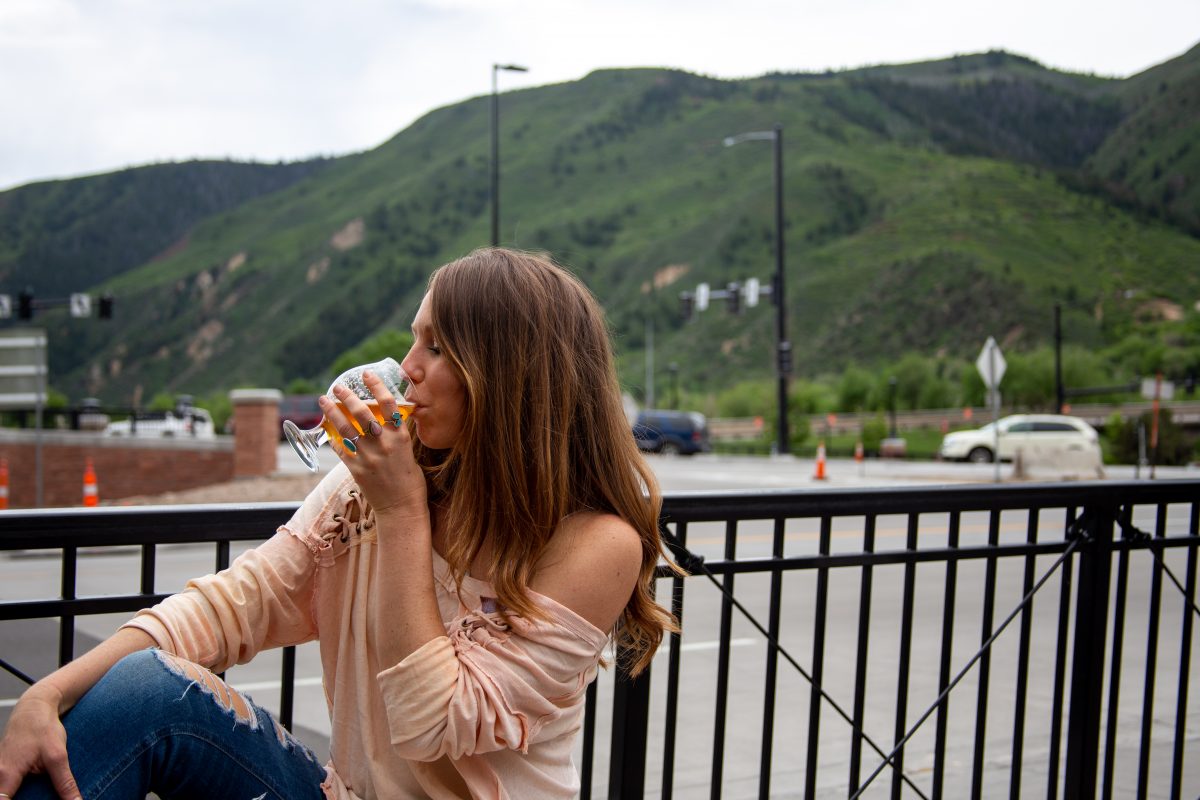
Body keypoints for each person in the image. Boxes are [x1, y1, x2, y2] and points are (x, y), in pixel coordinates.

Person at [0, 247, 677, 800]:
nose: (407, 368)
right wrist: (48, 695)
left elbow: (435, 725)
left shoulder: (594, 542)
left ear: (510, 376)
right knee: (145, 693)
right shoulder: (372, 489)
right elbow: (234, 606)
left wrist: (403, 511)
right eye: (415, 338)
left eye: (438, 349)